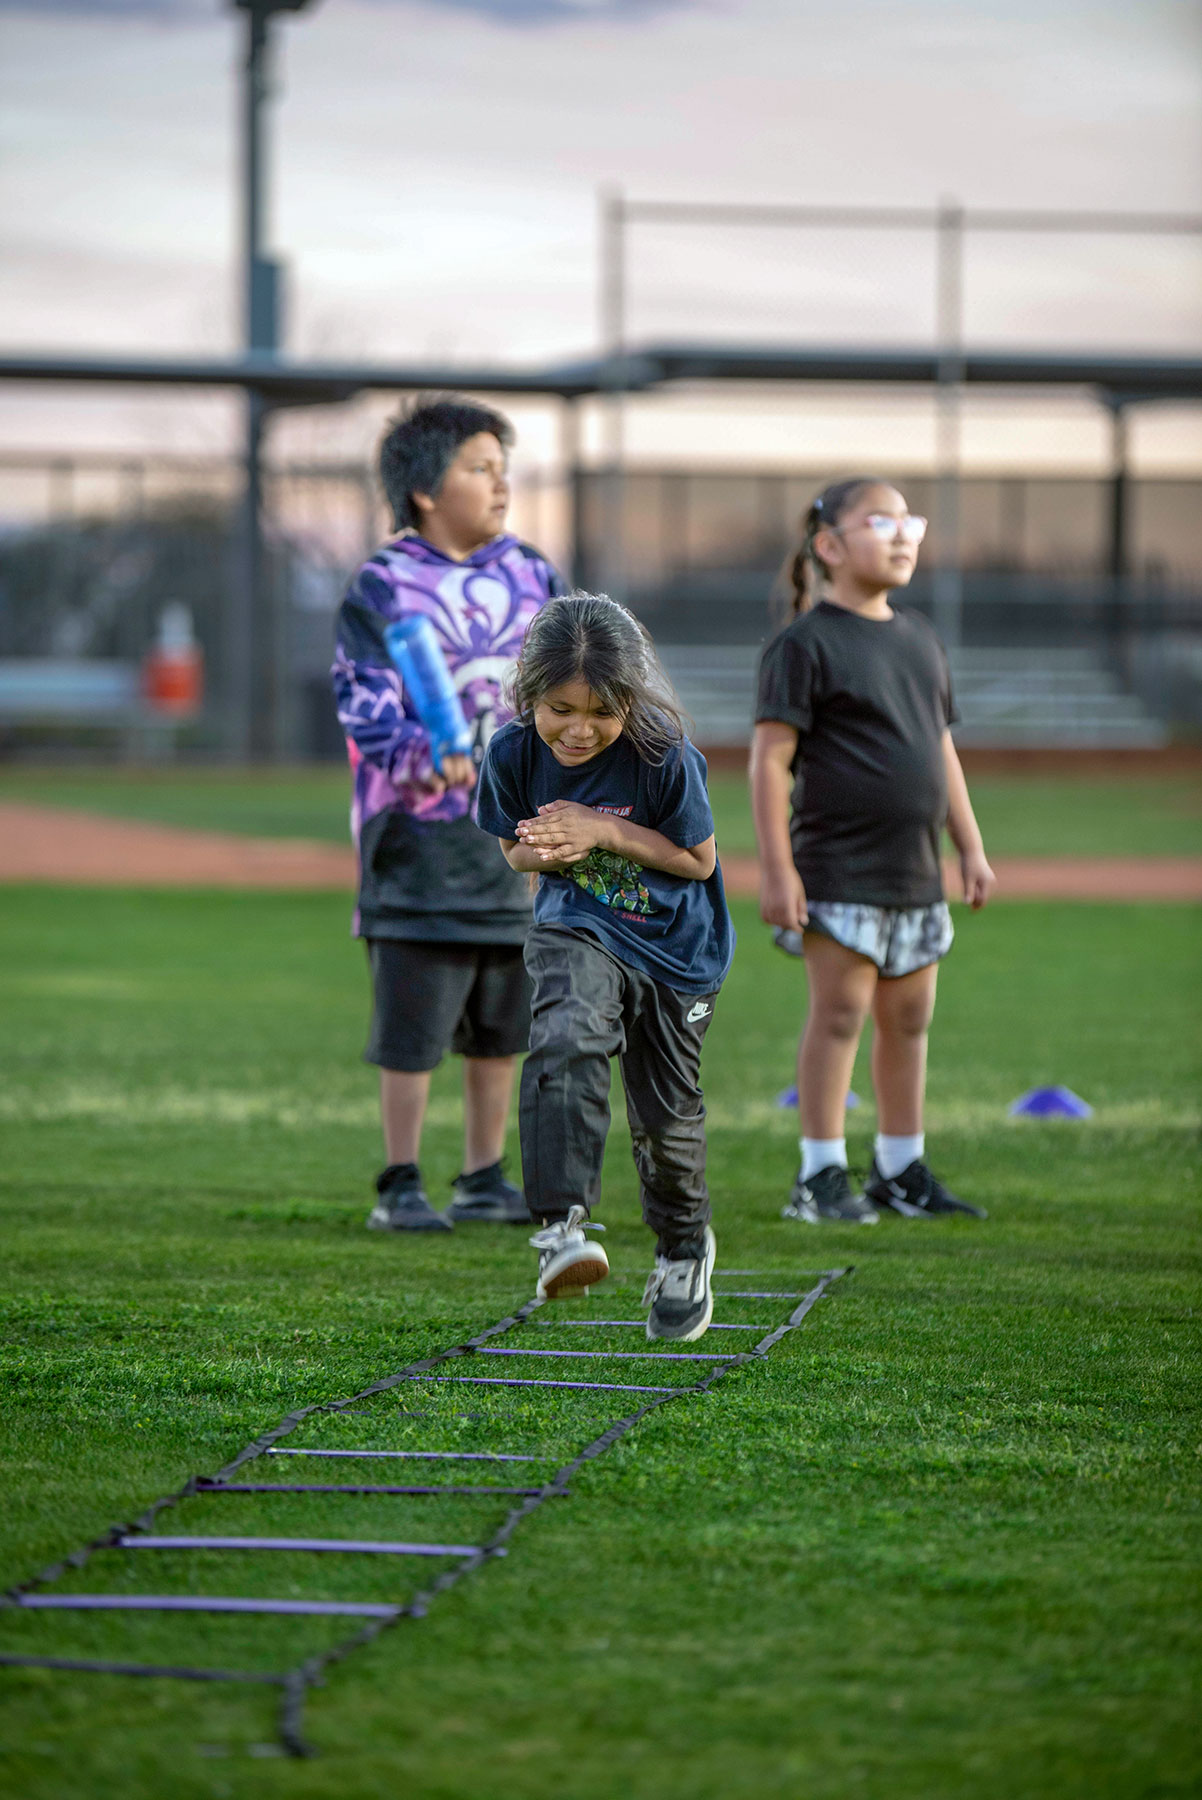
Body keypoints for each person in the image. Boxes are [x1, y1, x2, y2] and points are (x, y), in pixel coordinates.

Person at [332, 395, 565, 1233]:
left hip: (516, 838)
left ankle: (482, 1174)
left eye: (504, 469)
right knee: (415, 1018)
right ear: (424, 489)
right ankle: (400, 1181)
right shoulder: (383, 583)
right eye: (478, 467)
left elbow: (568, 681)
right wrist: (421, 754)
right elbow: (360, 698)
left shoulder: (535, 574)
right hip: (417, 839)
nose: (500, 483)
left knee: (504, 1015)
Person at [475, 593, 735, 1340]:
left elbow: (697, 860)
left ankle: (685, 1246)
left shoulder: (664, 754)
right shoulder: (512, 753)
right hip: (577, 927)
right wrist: (549, 849)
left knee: (664, 1118)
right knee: (565, 1035)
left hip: (676, 951)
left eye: (602, 712)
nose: (580, 730)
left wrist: (599, 832)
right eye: (561, 709)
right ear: (530, 695)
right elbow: (513, 849)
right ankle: (563, 1226)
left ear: (631, 701)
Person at [750, 477, 996, 1225]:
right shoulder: (805, 643)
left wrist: (971, 848)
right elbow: (767, 760)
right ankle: (820, 1173)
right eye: (878, 521)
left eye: (907, 521)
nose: (900, 535)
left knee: (911, 1018)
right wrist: (778, 870)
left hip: (914, 873)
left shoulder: (920, 637)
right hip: (838, 870)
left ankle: (899, 1167)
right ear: (829, 546)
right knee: (839, 1014)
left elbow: (941, 750)